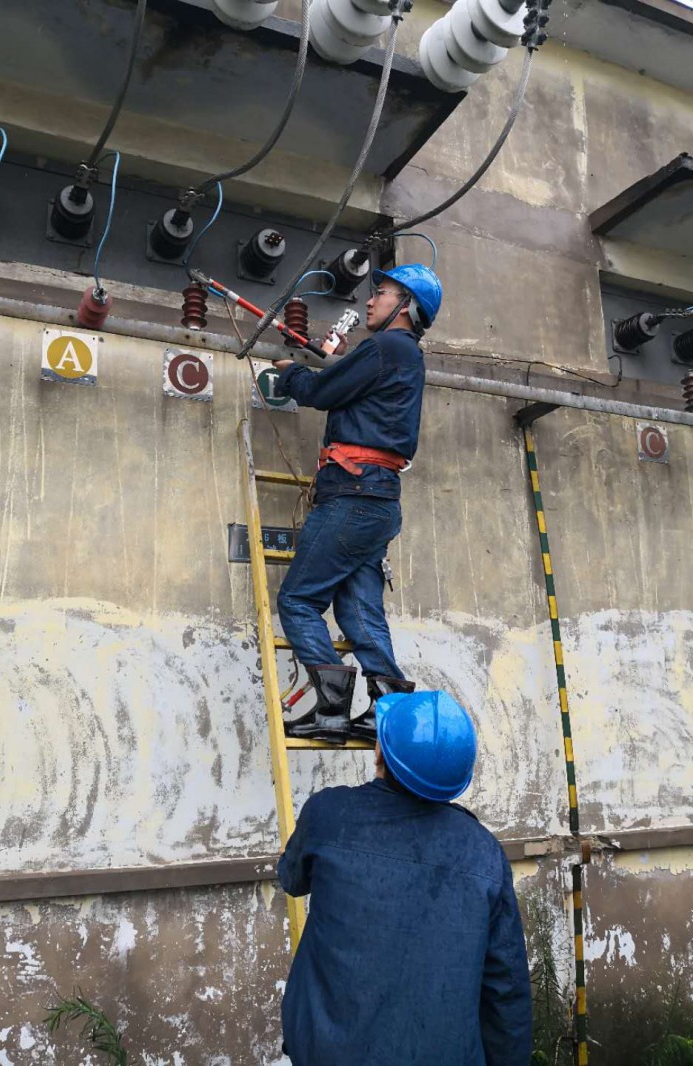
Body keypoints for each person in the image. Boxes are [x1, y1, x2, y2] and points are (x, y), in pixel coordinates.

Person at [277, 690, 533, 1066]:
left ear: (380, 753)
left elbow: (292, 879)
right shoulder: (484, 852)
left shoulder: (330, 816)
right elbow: (505, 990)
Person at [271, 264, 441, 744]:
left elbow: (323, 393)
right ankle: (388, 714)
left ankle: (331, 709)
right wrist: (339, 363)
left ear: (405, 307)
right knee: (360, 615)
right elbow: (352, 392)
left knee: (299, 600)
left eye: (382, 294)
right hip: (378, 500)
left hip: (352, 494)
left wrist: (293, 375)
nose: (370, 301)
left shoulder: (386, 346)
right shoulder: (403, 355)